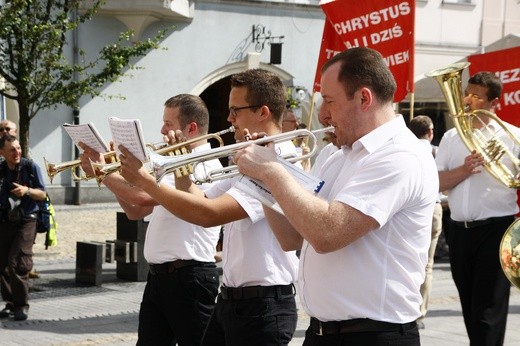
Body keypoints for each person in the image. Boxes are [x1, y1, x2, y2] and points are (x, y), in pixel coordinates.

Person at [233, 47, 438, 345]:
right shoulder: (336, 154)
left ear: (364, 99)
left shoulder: (400, 155)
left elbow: (328, 233)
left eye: (329, 101)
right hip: (323, 332)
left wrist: (273, 172)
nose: (322, 114)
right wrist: (261, 179)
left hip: (374, 336)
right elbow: (292, 237)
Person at [118, 69, 299, 346]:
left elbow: (209, 215)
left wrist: (145, 181)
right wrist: (180, 166)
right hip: (231, 298)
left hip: (264, 303)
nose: (228, 119)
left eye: (235, 110)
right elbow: (200, 199)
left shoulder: (280, 159)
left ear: (262, 112)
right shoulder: (250, 154)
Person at [79, 94, 222, 345]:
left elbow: (143, 197)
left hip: (189, 277)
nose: (162, 130)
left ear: (191, 128)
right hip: (161, 278)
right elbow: (136, 211)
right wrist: (111, 172)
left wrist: (101, 173)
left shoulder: (202, 163)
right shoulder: (174, 160)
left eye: (168, 123)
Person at [435, 71, 520, 345]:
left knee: (488, 312)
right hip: (459, 230)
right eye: (467, 92)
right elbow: (436, 182)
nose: (467, 100)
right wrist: (465, 169)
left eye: (476, 96)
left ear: (494, 102)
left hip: (497, 230)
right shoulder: (451, 137)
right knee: (470, 308)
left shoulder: (513, 136)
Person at [0, 134, 47, 321]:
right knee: (2, 263)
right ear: (2, 152)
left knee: (17, 261)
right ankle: (10, 302)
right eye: (12, 149)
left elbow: (42, 194)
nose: (17, 152)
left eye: (18, 148)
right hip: (5, 219)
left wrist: (27, 190)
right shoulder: (1, 169)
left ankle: (22, 305)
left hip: (28, 219)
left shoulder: (30, 167)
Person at [409, 115, 443, 329]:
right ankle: (419, 313)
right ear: (430, 131)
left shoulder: (407, 149)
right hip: (433, 208)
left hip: (410, 209)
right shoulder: (435, 151)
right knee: (427, 265)